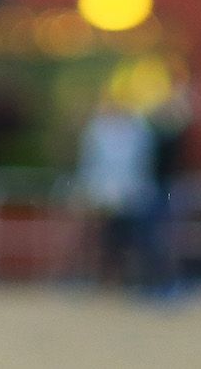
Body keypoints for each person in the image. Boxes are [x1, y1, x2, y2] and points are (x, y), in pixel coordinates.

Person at [74, 94, 155, 288]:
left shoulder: (137, 130)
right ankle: (103, 279)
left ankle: (129, 279)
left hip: (130, 196)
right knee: (103, 240)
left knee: (129, 239)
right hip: (103, 196)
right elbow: (90, 164)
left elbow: (141, 164)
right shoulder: (97, 131)